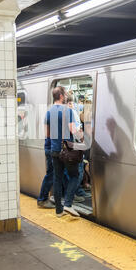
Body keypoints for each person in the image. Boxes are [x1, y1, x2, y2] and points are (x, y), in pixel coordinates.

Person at [46, 86, 84, 217]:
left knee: (57, 179)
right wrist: (84, 137)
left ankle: (58, 211)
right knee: (75, 175)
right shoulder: (67, 111)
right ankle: (68, 204)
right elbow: (73, 130)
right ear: (61, 96)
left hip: (55, 150)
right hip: (67, 151)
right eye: (65, 94)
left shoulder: (49, 111)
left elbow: (47, 133)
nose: (67, 95)